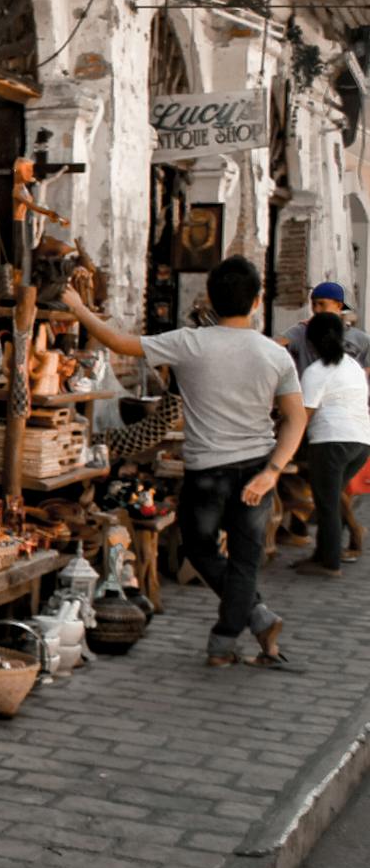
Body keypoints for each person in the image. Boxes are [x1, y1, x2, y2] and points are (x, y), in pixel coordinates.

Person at [62, 256, 306, 668]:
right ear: (258, 301)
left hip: (206, 471)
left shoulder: (189, 342)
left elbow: (121, 343)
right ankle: (239, 629)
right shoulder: (275, 355)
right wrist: (273, 471)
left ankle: (232, 634)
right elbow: (296, 418)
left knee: (199, 547)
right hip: (257, 468)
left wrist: (79, 307)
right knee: (245, 561)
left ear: (209, 297)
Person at [293, 311, 370, 577]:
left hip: (331, 442)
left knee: (326, 503)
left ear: (311, 342)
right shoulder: (353, 367)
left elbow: (304, 415)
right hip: (360, 442)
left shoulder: (316, 371)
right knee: (333, 497)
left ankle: (330, 563)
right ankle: (324, 553)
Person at [281, 281, 370, 374]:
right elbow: (273, 347)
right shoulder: (301, 331)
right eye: (314, 304)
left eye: (322, 304)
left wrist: (352, 377)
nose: (316, 310)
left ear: (339, 305)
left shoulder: (360, 338)